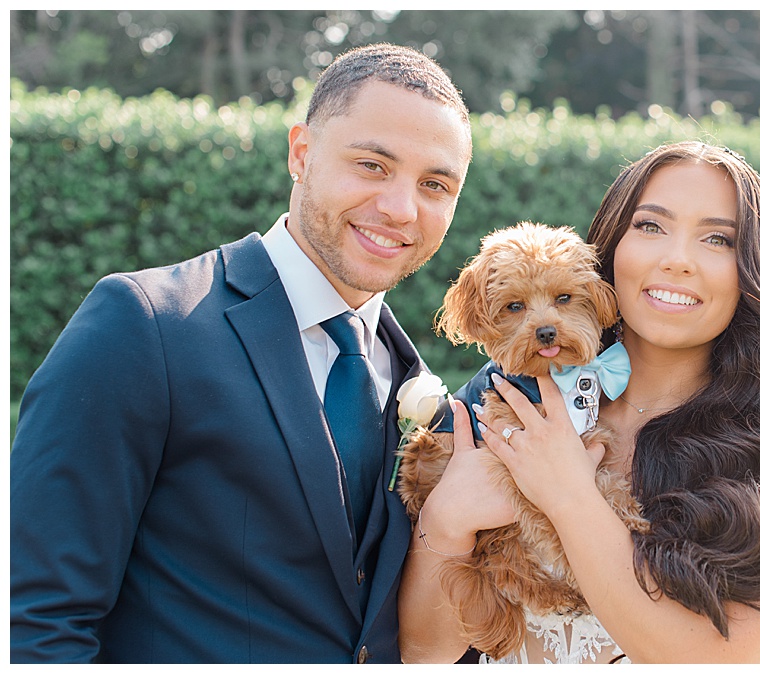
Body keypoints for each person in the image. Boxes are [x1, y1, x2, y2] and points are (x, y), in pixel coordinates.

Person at [10, 43, 472, 664]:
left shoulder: (415, 383)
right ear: (301, 154)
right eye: (371, 166)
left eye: (435, 184)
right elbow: (34, 620)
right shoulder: (145, 325)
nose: (400, 208)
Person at [398, 141, 760, 664]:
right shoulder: (509, 401)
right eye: (650, 226)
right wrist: (448, 518)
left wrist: (569, 493)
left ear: (752, 270)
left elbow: (710, 661)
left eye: (717, 238)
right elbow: (422, 655)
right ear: (609, 250)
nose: (677, 260)